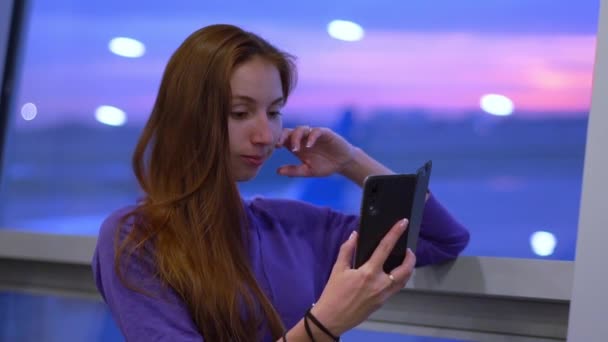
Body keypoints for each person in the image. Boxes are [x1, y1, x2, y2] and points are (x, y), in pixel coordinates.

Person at [92, 24, 470, 342]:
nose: (266, 134)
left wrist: (350, 161)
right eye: (240, 113)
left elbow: (440, 239)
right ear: (188, 119)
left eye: (274, 112)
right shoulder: (137, 239)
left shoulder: (291, 227)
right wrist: (322, 326)